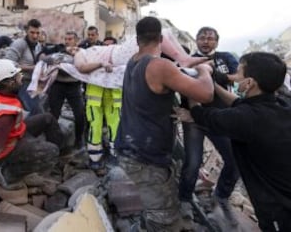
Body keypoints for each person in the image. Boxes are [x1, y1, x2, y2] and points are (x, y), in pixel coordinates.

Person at [114, 16, 215, 231]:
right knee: (163, 219)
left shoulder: (134, 60)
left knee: (159, 203)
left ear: (137, 40)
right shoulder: (159, 66)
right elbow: (205, 94)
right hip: (145, 157)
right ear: (161, 38)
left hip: (130, 148)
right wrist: (205, 71)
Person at [175, 52, 291, 232]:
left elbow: (201, 114)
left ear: (249, 83)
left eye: (238, 74)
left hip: (280, 208)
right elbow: (239, 103)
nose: (234, 78)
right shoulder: (281, 104)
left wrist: (199, 77)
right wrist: (212, 84)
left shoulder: (245, 119)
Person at [0, 59, 63, 231]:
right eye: (17, 77)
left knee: (47, 119)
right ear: (8, 83)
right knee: (50, 152)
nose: (21, 79)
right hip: (2, 151)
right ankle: (7, 175)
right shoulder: (1, 117)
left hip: (11, 133)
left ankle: (62, 158)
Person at [178, 26, 240, 226]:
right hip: (194, 119)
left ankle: (221, 196)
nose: (206, 41)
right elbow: (176, 84)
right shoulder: (187, 60)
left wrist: (216, 75)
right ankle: (185, 200)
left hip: (221, 118)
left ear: (217, 41)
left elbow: (237, 76)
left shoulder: (225, 58)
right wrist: (181, 111)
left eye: (210, 38)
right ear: (196, 40)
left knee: (235, 161)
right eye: (202, 38)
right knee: (192, 163)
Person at [76, 29, 121, 173]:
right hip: (95, 98)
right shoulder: (92, 56)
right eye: (105, 46)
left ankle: (115, 156)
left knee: (115, 127)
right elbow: (81, 68)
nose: (107, 49)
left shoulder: (121, 61)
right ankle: (95, 158)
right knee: (95, 128)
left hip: (114, 99)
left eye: (111, 47)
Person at [46, 31, 85, 149]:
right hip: (58, 85)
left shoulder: (81, 53)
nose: (67, 41)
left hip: (74, 86)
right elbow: (44, 56)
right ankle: (53, 141)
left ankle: (79, 140)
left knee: (79, 114)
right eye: (66, 39)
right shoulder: (58, 50)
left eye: (70, 39)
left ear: (76, 41)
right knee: (54, 114)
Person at [6, 19, 43, 115]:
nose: (35, 36)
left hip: (33, 83)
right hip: (21, 82)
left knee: (37, 110)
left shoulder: (38, 45)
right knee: (34, 112)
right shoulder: (19, 44)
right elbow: (8, 64)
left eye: (37, 33)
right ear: (26, 31)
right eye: (32, 32)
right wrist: (32, 68)